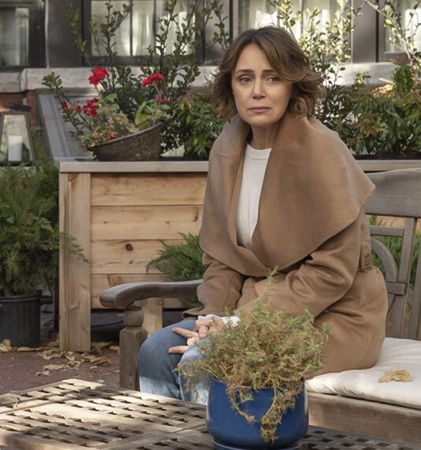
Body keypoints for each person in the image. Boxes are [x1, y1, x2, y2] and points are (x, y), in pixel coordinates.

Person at [137, 26, 388, 403]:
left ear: (292, 86)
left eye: (272, 78)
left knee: (206, 360)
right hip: (250, 312)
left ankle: (214, 434)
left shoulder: (322, 151)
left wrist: (238, 324)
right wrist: (213, 318)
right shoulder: (226, 150)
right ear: (231, 87)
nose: (257, 91)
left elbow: (331, 274)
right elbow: (223, 260)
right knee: (156, 353)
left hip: (333, 317)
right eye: (245, 78)